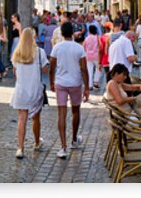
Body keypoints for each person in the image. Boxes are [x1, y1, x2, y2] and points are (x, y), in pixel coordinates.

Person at [49, 21, 89, 159]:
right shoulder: (79, 48)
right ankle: (73, 140)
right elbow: (84, 69)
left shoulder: (57, 48)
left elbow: (52, 68)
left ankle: (63, 146)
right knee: (75, 111)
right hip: (75, 82)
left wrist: (51, 83)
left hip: (60, 82)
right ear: (72, 32)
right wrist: (87, 87)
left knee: (61, 113)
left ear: (61, 33)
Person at [10, 28, 49, 159]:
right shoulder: (39, 53)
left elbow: (15, 72)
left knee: (22, 119)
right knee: (36, 118)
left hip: (21, 90)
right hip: (35, 90)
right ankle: (37, 142)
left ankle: (20, 148)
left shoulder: (17, 53)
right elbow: (44, 70)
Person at [83, 25, 100, 90]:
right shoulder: (98, 38)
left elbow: (84, 47)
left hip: (88, 56)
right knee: (98, 69)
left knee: (89, 70)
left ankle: (89, 85)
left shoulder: (87, 38)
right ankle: (95, 81)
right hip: (96, 56)